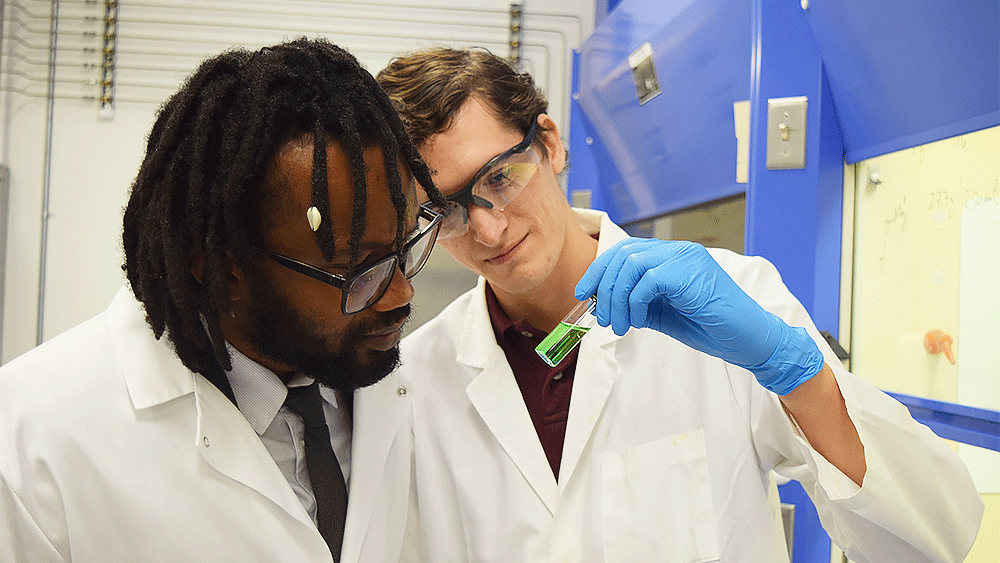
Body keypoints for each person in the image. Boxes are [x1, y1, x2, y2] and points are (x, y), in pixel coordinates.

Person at [377, 47, 984, 562]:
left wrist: (795, 371)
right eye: (446, 210)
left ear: (550, 145)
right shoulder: (414, 382)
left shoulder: (734, 299)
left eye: (500, 179)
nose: (487, 230)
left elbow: (935, 535)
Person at [0, 38, 448, 563]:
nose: (401, 293)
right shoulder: (31, 441)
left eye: (404, 246)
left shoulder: (389, 387)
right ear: (219, 266)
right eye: (356, 271)